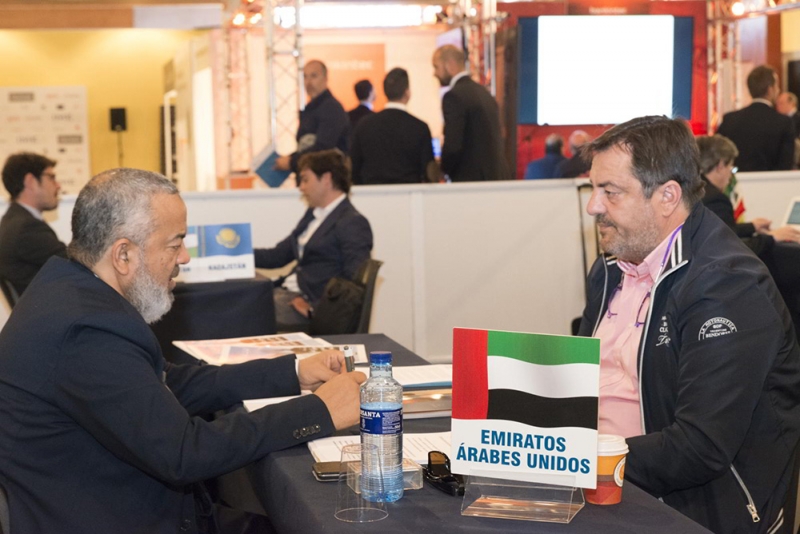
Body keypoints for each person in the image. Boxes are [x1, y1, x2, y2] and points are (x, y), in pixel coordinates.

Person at [0, 167, 365, 534]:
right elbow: (184, 453)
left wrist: (294, 373)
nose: (184, 258)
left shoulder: (71, 291)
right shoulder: (87, 330)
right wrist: (320, 410)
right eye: (175, 244)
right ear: (123, 254)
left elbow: (168, 383)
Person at [577, 116, 800, 534]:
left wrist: (576, 460)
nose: (594, 206)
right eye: (594, 189)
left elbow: (700, 447)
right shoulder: (609, 271)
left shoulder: (726, 285)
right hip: (606, 487)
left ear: (667, 196)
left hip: (690, 510)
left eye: (610, 192)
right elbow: (582, 384)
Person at [255, 149, 372, 331]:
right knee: (240, 300)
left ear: (326, 178)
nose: (301, 187)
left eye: (305, 180)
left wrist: (314, 309)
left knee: (243, 311)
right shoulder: (313, 215)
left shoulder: (352, 222)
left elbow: (353, 282)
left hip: (312, 307)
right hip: (288, 293)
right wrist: (237, 253)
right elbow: (277, 256)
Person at [697, 133, 800, 332]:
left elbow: (724, 230)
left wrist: (752, 226)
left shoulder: (698, 192)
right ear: (720, 165)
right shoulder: (716, 199)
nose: (730, 175)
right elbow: (729, 248)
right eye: (731, 168)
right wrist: (771, 238)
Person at [431, 45, 508, 181]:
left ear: (450, 65)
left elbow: (453, 145)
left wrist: (443, 170)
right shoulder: (485, 94)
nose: (435, 73)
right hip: (495, 177)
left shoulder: (453, 97)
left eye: (436, 67)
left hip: (470, 180)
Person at [351, 67, 436, 185]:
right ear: (407, 93)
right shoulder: (420, 128)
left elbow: (354, 167)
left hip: (372, 192)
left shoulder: (364, 125)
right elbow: (428, 171)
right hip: (409, 193)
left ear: (385, 92)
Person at [0, 152, 67, 297]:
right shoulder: (27, 228)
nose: (58, 186)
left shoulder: (13, 221)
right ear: (30, 181)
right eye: (51, 177)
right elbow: (75, 265)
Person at [275, 60, 350, 175]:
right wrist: (290, 159)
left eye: (314, 76)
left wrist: (292, 161)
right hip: (312, 176)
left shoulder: (331, 108)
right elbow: (306, 146)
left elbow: (323, 148)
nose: (309, 82)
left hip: (326, 177)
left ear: (325, 78)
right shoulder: (310, 109)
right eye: (305, 77)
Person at [717, 65, 796, 171]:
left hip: (736, 180)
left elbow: (718, 157)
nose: (778, 90)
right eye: (777, 86)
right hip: (772, 181)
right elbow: (785, 165)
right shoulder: (784, 123)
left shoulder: (729, 120)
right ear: (770, 90)